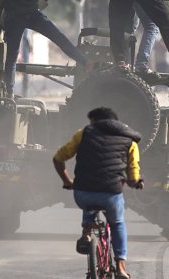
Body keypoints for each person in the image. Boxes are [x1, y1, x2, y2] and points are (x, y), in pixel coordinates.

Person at [53, 107, 143, 279]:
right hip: (111, 195)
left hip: (82, 194)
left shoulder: (83, 134)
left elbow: (58, 158)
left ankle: (86, 232)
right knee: (117, 223)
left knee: (88, 201)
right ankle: (121, 267)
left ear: (95, 121)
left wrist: (67, 181)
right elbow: (133, 174)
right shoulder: (130, 141)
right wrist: (136, 182)